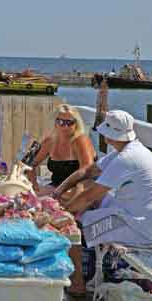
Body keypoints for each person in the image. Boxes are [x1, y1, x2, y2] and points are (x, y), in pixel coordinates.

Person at [54, 110, 152, 296]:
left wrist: (61, 213)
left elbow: (89, 196)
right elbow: (88, 171)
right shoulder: (129, 150)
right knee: (84, 196)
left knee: (71, 226)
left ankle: (78, 283)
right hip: (133, 212)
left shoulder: (126, 159)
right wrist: (60, 190)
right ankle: (88, 265)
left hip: (139, 227)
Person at [26, 104, 96, 196]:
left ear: (76, 124)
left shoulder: (80, 139)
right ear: (55, 123)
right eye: (61, 122)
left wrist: (59, 190)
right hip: (56, 186)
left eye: (69, 122)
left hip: (81, 186)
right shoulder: (49, 141)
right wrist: (34, 184)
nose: (65, 126)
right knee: (25, 198)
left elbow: (87, 168)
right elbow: (30, 163)